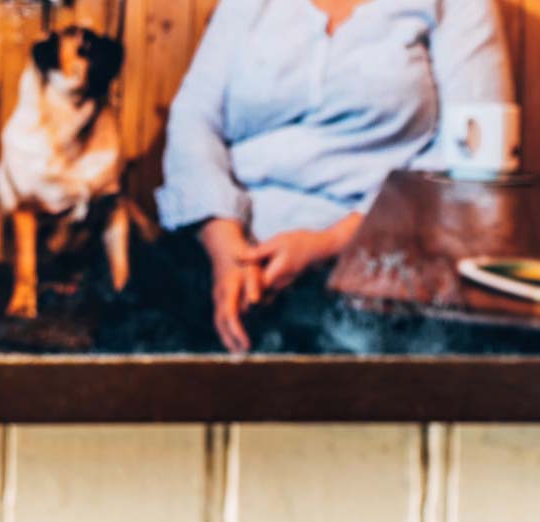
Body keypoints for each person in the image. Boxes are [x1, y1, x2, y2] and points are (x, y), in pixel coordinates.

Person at [155, 0, 513, 353]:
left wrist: (330, 243)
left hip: (378, 256)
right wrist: (225, 248)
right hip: (227, 245)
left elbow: (475, 157)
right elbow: (194, 119)